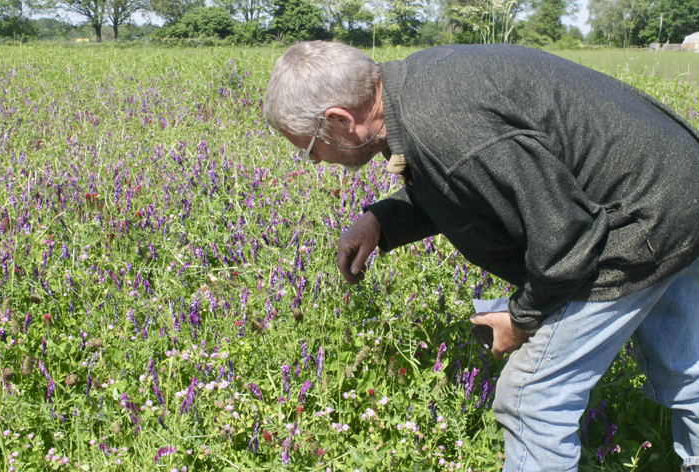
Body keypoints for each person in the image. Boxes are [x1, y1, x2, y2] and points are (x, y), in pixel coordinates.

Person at [263, 41, 699, 472]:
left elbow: (566, 239)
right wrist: (381, 220)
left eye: (310, 148)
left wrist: (523, 317)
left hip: (640, 219)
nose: (316, 162)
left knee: (532, 399)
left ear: (339, 119)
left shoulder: (440, 126)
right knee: (685, 367)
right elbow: (467, 183)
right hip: (678, 185)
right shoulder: (418, 85)